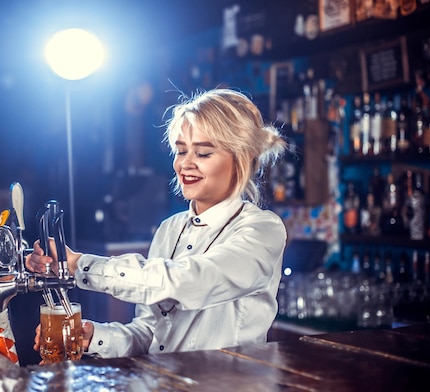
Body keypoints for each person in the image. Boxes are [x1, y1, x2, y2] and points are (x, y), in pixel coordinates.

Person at [26, 88, 288, 359]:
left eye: (203, 154)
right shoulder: (170, 229)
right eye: (181, 151)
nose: (185, 164)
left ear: (241, 159)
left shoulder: (262, 229)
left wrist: (80, 265)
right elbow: (151, 335)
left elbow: (190, 281)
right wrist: (96, 337)